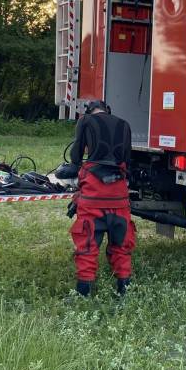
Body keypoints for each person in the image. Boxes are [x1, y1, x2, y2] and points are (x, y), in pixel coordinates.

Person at [68, 99, 136, 297]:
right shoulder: (125, 125)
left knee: (87, 246)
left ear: (89, 112)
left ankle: (83, 294)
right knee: (121, 246)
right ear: (108, 111)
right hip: (119, 195)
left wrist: (73, 168)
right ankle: (124, 290)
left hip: (94, 195)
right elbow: (127, 160)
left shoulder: (85, 121)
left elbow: (75, 156)